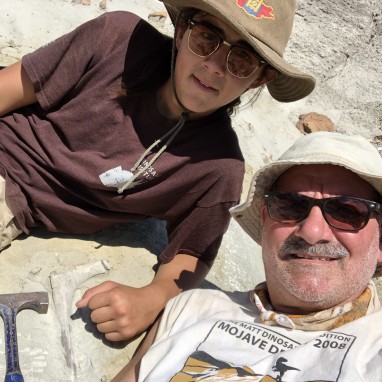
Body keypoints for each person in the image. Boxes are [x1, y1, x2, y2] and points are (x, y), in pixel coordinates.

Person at [0, 0, 315, 341]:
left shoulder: (217, 168)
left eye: (242, 59)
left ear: (260, 78)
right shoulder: (116, 41)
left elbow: (191, 253)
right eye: (206, 39)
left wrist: (151, 299)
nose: (214, 66)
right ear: (182, 31)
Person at [96, 131, 382, 382]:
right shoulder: (190, 308)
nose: (312, 232)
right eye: (291, 206)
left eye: (348, 211)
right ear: (266, 222)